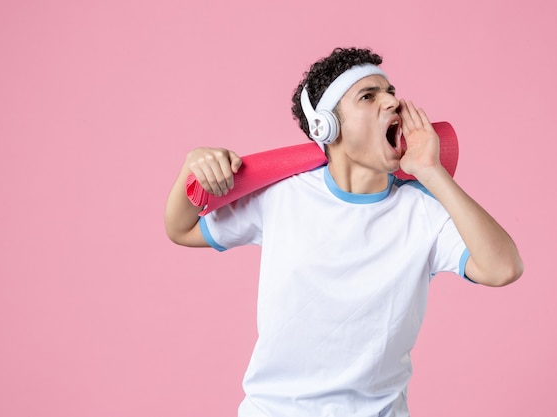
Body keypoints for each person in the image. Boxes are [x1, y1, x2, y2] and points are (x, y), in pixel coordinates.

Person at [164, 47, 523, 417]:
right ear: (326, 127)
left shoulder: (423, 212)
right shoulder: (281, 195)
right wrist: (190, 167)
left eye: (390, 92)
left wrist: (432, 172)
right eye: (368, 96)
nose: (392, 102)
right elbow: (181, 228)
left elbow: (503, 268)